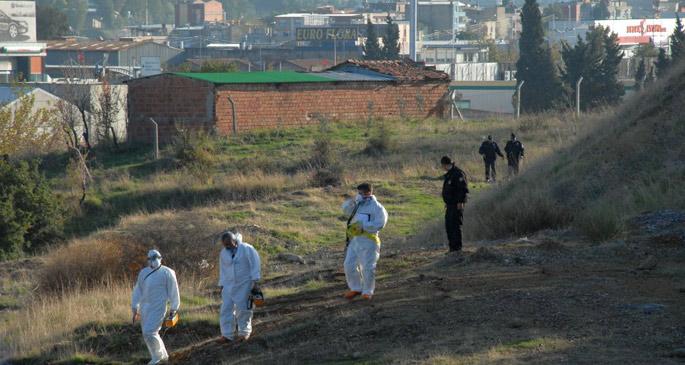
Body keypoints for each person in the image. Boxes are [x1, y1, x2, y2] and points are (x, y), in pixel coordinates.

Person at [131, 249, 180, 365]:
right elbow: (138, 290)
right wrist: (134, 307)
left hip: (159, 305)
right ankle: (162, 357)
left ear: (160, 258)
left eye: (156, 257)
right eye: (151, 258)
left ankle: (157, 358)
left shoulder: (168, 272)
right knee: (147, 333)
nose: (153, 260)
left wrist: (174, 308)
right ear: (148, 260)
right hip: (144, 306)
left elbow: (174, 291)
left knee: (150, 332)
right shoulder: (143, 272)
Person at [342, 183, 388, 300]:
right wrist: (352, 201)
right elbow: (346, 211)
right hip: (355, 239)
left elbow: (380, 224)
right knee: (349, 265)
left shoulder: (377, 207)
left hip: (369, 240)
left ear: (369, 193)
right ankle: (355, 288)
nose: (360, 195)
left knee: (367, 267)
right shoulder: (358, 204)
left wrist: (363, 225)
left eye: (361, 193)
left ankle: (368, 291)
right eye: (358, 193)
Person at [217, 231, 261, 344]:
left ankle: (244, 332)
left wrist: (255, 281)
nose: (227, 246)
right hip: (228, 285)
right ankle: (227, 335)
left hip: (245, 283)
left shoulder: (247, 249)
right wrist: (221, 284)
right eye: (225, 244)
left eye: (229, 243)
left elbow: (255, 264)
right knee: (226, 309)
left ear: (234, 241)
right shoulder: (223, 253)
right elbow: (223, 269)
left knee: (244, 309)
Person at [441, 156, 469, 255]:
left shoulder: (458, 174)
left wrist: (460, 202)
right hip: (450, 205)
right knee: (449, 225)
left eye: (444, 165)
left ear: (449, 164)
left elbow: (463, 189)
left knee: (456, 226)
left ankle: (457, 249)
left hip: (457, 205)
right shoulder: (449, 174)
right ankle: (452, 248)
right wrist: (447, 202)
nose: (443, 167)